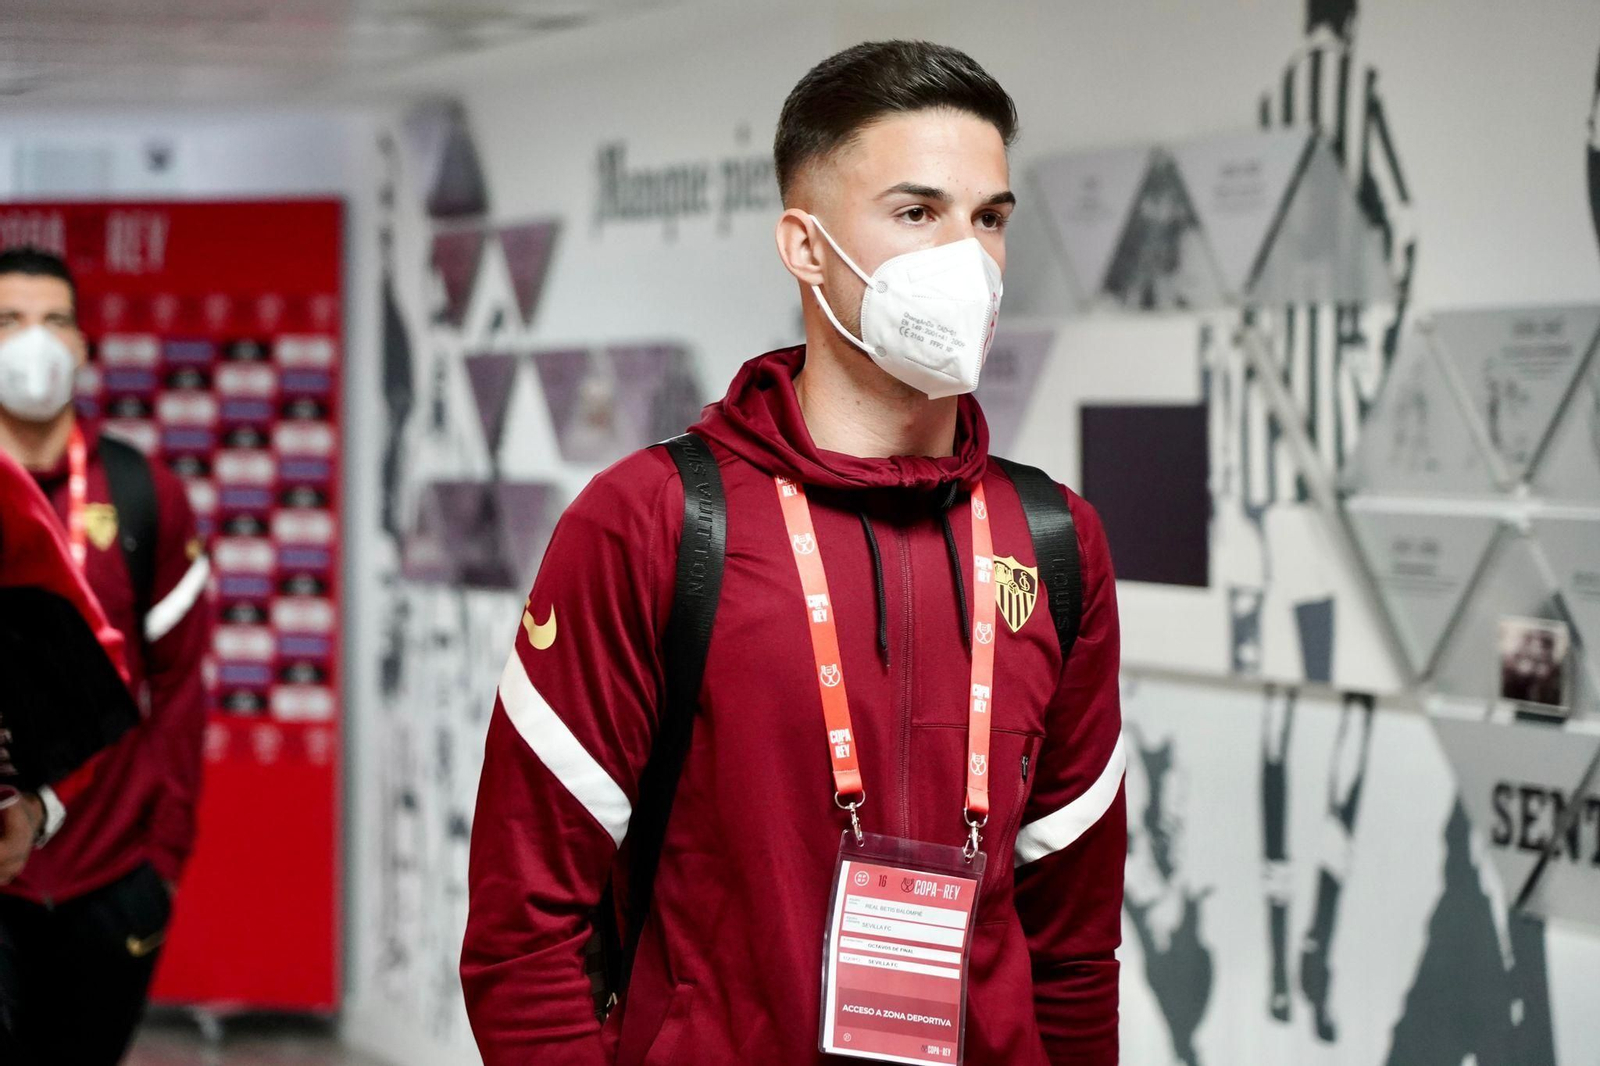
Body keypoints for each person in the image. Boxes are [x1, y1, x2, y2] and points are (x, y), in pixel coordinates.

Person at [461, 41, 1125, 1065]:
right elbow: (524, 932)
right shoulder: (654, 522)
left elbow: (1073, 949)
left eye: (989, 218)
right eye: (917, 214)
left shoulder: (1054, 544)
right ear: (806, 248)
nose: (969, 259)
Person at [0, 246, 213, 1065]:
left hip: (112, 877)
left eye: (54, 320)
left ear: (83, 346)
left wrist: (163, 860)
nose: (33, 340)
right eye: (9, 321)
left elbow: (181, 687)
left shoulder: (141, 491)